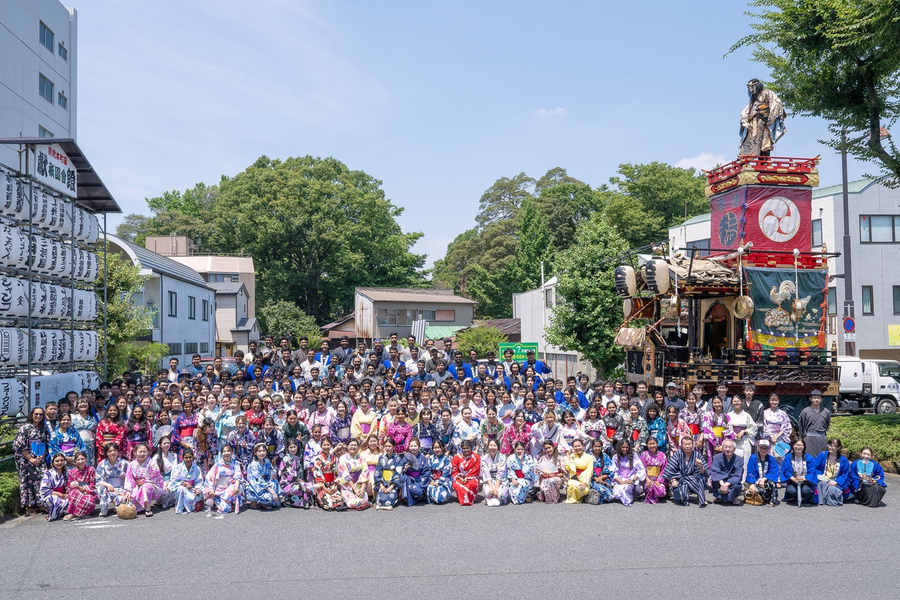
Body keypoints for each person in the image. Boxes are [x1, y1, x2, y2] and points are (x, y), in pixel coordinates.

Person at [13, 407, 50, 516]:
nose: (38, 416)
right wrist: (30, 458)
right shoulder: (25, 428)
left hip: (39, 457)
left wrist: (42, 456)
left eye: (41, 414)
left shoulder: (44, 428)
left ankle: (41, 503)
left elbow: (46, 443)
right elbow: (19, 444)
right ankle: (29, 506)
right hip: (25, 458)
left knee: (42, 479)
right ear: (32, 415)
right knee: (27, 481)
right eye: (36, 414)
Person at [739, 78, 786, 156]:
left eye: (752, 87)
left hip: (765, 122)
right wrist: (744, 121)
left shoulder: (768, 93)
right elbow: (745, 111)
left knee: (765, 143)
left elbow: (776, 103)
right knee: (753, 142)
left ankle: (765, 160)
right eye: (749, 88)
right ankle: (753, 158)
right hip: (754, 124)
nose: (750, 90)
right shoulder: (753, 100)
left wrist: (770, 117)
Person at [662, 437, 708, 508]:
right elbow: (670, 469)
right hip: (681, 480)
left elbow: (705, 472)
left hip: (694, 480)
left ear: (693, 445)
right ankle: (688, 493)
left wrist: (700, 466)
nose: (687, 446)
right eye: (685, 444)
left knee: (702, 477)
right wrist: (673, 480)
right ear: (681, 445)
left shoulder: (698, 455)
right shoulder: (677, 454)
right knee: (682, 497)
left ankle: (700, 496)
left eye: (689, 444)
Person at [125, 442, 164, 517]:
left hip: (150, 485)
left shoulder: (152, 463)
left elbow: (156, 477)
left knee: (146, 487)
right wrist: (128, 490)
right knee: (127, 498)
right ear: (135, 452)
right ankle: (140, 507)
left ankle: (147, 508)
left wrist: (143, 482)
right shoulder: (131, 464)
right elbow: (129, 478)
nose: (142, 454)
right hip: (136, 486)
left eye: (144, 452)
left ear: (148, 452)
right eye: (140, 452)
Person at [204, 443, 244, 515]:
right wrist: (211, 491)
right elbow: (210, 477)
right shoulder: (218, 464)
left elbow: (238, 475)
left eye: (228, 451)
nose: (226, 453)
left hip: (229, 489)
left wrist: (236, 487)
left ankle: (231, 501)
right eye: (224, 451)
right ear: (222, 453)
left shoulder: (236, 463)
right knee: (226, 509)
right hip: (218, 491)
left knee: (239, 487)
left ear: (231, 452)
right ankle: (217, 501)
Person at [810, 438, 851, 507]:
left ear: (838, 448)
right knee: (821, 484)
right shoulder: (822, 455)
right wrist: (822, 476)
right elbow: (815, 467)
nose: (830, 447)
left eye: (833, 446)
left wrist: (836, 482)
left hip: (836, 481)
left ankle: (832, 500)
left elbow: (845, 474)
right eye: (829, 445)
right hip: (823, 479)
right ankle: (821, 500)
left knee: (831, 488)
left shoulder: (843, 460)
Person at [279, 438, 314, 509]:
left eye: (294, 447)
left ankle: (299, 501)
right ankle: (287, 499)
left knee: (308, 485)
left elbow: (298, 472)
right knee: (302, 485)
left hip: (294, 483)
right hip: (286, 484)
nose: (293, 449)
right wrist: (301, 481)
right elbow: (291, 475)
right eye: (291, 447)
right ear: (287, 448)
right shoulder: (286, 459)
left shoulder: (296, 458)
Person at [95, 442, 129, 517]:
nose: (112, 453)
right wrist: (108, 485)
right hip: (107, 489)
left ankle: (118, 505)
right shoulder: (102, 464)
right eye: (110, 451)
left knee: (124, 503)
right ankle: (104, 507)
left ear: (118, 451)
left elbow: (130, 479)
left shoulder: (125, 463)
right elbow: (98, 480)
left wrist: (128, 491)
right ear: (106, 453)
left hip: (121, 488)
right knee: (100, 488)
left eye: (114, 450)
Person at [246, 442, 282, 510]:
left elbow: (272, 471)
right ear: (255, 453)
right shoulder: (253, 465)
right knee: (269, 498)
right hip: (256, 487)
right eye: (259, 451)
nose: (262, 453)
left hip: (266, 483)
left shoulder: (267, 462)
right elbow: (259, 481)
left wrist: (273, 475)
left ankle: (265, 502)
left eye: (263, 451)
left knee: (274, 482)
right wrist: (273, 493)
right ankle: (255, 502)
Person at [610, 439, 646, 506]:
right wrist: (621, 482)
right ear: (620, 447)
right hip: (619, 479)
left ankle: (628, 498)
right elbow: (613, 471)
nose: (625, 449)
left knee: (627, 488)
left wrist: (632, 481)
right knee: (617, 491)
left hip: (631, 478)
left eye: (627, 447)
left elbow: (641, 469)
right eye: (623, 447)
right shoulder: (615, 457)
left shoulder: (634, 455)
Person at [745, 438, 780, 506]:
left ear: (768, 449)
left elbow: (773, 472)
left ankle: (773, 500)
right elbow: (750, 473)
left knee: (772, 484)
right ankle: (762, 497)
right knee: (759, 491)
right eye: (761, 448)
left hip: (766, 480)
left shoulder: (771, 459)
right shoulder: (753, 458)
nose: (763, 450)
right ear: (758, 447)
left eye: (765, 448)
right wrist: (752, 483)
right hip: (756, 481)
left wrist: (764, 479)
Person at [781, 437, 815, 507]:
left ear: (804, 446)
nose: (798, 447)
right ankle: (794, 499)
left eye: (800, 445)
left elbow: (812, 471)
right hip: (793, 480)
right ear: (793, 446)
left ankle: (806, 500)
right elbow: (786, 470)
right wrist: (794, 479)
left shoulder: (809, 458)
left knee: (806, 490)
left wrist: (803, 478)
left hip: (806, 481)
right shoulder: (788, 457)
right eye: (796, 445)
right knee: (791, 491)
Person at [337, 438, 370, 510]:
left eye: (355, 445)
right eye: (351, 445)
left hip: (359, 484)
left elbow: (365, 473)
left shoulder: (361, 457)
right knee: (353, 503)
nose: (353, 447)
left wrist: (362, 489)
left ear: (358, 447)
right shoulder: (343, 458)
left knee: (364, 501)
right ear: (347, 446)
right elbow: (345, 475)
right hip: (348, 485)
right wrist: (354, 489)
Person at [170, 448, 204, 514]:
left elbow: (199, 481)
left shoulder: (197, 468)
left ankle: (191, 506)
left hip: (192, 488)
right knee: (181, 489)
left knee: (198, 495)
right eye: (186, 457)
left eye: (190, 457)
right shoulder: (178, 467)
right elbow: (174, 481)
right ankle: (180, 507)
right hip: (181, 488)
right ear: (183, 458)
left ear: (193, 457)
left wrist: (198, 489)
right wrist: (184, 483)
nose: (188, 459)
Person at [65, 451, 97, 520]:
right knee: (74, 493)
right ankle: (74, 513)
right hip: (76, 491)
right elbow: (69, 486)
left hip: (88, 491)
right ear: (75, 461)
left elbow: (93, 484)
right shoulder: (71, 472)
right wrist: (79, 490)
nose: (80, 461)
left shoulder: (91, 469)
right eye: (78, 460)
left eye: (82, 459)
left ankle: (75, 513)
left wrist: (84, 490)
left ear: (86, 459)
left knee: (89, 499)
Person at [798, 390, 830, 458]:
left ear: (821, 399)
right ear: (810, 399)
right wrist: (800, 439)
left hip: (822, 438)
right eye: (814, 397)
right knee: (809, 458)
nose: (816, 400)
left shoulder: (826, 412)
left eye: (818, 398)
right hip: (809, 438)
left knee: (821, 458)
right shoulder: (805, 411)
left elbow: (827, 425)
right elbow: (801, 426)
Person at [711, 440, 744, 505]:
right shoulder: (717, 457)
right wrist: (723, 484)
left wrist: (726, 485)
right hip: (721, 481)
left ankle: (735, 497)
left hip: (732, 481)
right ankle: (719, 497)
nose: (728, 449)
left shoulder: (739, 460)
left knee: (737, 484)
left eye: (730, 447)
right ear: (722, 448)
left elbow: (738, 475)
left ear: (734, 449)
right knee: (716, 482)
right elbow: (716, 471)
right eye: (725, 447)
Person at [374, 437, 403, 510]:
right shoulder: (381, 458)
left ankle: (390, 503)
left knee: (388, 501)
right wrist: (381, 486)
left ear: (394, 447)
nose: (387, 448)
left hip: (392, 485)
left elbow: (398, 474)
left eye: (389, 446)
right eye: (386, 446)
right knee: (379, 501)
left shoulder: (397, 458)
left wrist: (390, 488)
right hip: (383, 483)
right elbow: (378, 472)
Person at [728, 395, 757, 468]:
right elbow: (725, 428)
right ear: (731, 403)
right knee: (732, 459)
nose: (736, 403)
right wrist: (732, 432)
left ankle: (745, 475)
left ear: (741, 402)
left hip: (745, 440)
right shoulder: (728, 415)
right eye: (734, 401)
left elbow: (754, 427)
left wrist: (744, 431)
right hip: (733, 440)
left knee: (746, 460)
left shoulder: (747, 415)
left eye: (738, 401)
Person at [400, 438, 430, 507]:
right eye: (411, 446)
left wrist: (418, 479)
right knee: (405, 479)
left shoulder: (423, 458)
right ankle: (408, 497)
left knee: (417, 489)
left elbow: (426, 471)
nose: (413, 448)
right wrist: (405, 469)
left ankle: (417, 495)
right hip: (409, 478)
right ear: (409, 447)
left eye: (415, 446)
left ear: (419, 447)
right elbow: (400, 468)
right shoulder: (406, 457)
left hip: (419, 479)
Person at [451, 439, 481, 506]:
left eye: (467, 448)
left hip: (472, 477)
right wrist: (460, 478)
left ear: (471, 448)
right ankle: (462, 498)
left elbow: (476, 469)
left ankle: (472, 497)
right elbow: (454, 470)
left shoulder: (476, 457)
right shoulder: (456, 457)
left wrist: (467, 478)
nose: (466, 450)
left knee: (472, 484)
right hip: (460, 478)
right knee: (457, 484)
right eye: (464, 448)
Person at [40, 453, 69, 521]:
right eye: (57, 461)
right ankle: (56, 513)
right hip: (51, 496)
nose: (59, 463)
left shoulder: (67, 471)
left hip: (64, 495)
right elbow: (43, 489)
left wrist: (67, 493)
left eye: (62, 460)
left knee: (74, 497)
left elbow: (69, 485)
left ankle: (59, 511)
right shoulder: (48, 473)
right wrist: (58, 494)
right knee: (55, 499)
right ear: (53, 462)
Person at [762, 393, 793, 458]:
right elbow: (764, 425)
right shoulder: (765, 413)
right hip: (768, 437)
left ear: (778, 401)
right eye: (772, 400)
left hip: (779, 437)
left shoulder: (783, 413)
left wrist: (777, 437)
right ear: (769, 401)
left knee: (779, 456)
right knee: (767, 456)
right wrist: (771, 436)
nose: (774, 402)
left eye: (776, 400)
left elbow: (786, 426)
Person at [505, 441, 536, 505]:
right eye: (518, 449)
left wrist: (522, 461)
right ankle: (523, 496)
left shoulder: (528, 457)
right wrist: (513, 479)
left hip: (526, 479)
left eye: (522, 449)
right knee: (513, 489)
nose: (520, 451)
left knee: (522, 485)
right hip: (515, 478)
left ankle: (524, 495)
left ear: (524, 450)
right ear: (514, 450)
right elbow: (509, 469)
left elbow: (529, 471)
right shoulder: (511, 458)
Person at [564, 438, 593, 504]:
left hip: (585, 479)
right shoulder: (571, 456)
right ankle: (578, 498)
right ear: (573, 448)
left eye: (579, 446)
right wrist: (568, 456)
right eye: (575, 446)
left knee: (585, 489)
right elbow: (567, 468)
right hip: (574, 478)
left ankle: (581, 496)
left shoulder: (589, 457)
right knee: (572, 485)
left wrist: (585, 483)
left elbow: (589, 470)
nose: (577, 448)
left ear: (583, 446)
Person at [640, 436, 667, 504]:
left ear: (657, 444)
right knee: (648, 486)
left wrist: (659, 480)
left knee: (662, 491)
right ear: (647, 445)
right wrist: (647, 479)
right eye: (650, 444)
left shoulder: (662, 455)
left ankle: (653, 494)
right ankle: (652, 494)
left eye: (653, 443)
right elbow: (641, 468)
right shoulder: (644, 454)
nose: (652, 446)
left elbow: (664, 469)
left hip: (658, 480)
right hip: (647, 480)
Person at [153, 435, 178, 509]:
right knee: (164, 492)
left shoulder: (174, 456)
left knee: (178, 489)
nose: (166, 445)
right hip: (160, 482)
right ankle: (161, 501)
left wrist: (169, 483)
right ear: (160, 445)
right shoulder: (156, 458)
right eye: (164, 443)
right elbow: (155, 473)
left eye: (168, 443)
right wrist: (163, 483)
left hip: (171, 480)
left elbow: (175, 471)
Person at [480, 439, 507, 506]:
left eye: (494, 445)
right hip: (489, 480)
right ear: (488, 447)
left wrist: (496, 488)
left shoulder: (502, 457)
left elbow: (500, 473)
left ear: (498, 447)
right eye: (490, 445)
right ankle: (491, 498)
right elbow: (486, 473)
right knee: (488, 492)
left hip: (500, 480)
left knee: (501, 493)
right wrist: (491, 487)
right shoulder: (484, 458)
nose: (492, 447)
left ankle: (496, 498)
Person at [426, 439, 453, 505]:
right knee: (429, 487)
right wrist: (431, 481)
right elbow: (428, 470)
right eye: (435, 448)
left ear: (443, 448)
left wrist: (438, 482)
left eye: (438, 448)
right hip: (433, 480)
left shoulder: (446, 459)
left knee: (439, 498)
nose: (437, 450)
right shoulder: (431, 458)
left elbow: (447, 473)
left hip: (443, 482)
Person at [589, 438, 615, 505]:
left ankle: (595, 495)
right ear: (592, 447)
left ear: (602, 447)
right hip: (592, 479)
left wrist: (601, 478)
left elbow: (611, 470)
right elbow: (586, 470)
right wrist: (596, 478)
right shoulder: (588, 456)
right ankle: (592, 495)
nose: (597, 448)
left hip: (603, 479)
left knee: (611, 496)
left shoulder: (605, 456)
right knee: (601, 489)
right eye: (595, 446)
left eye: (599, 446)